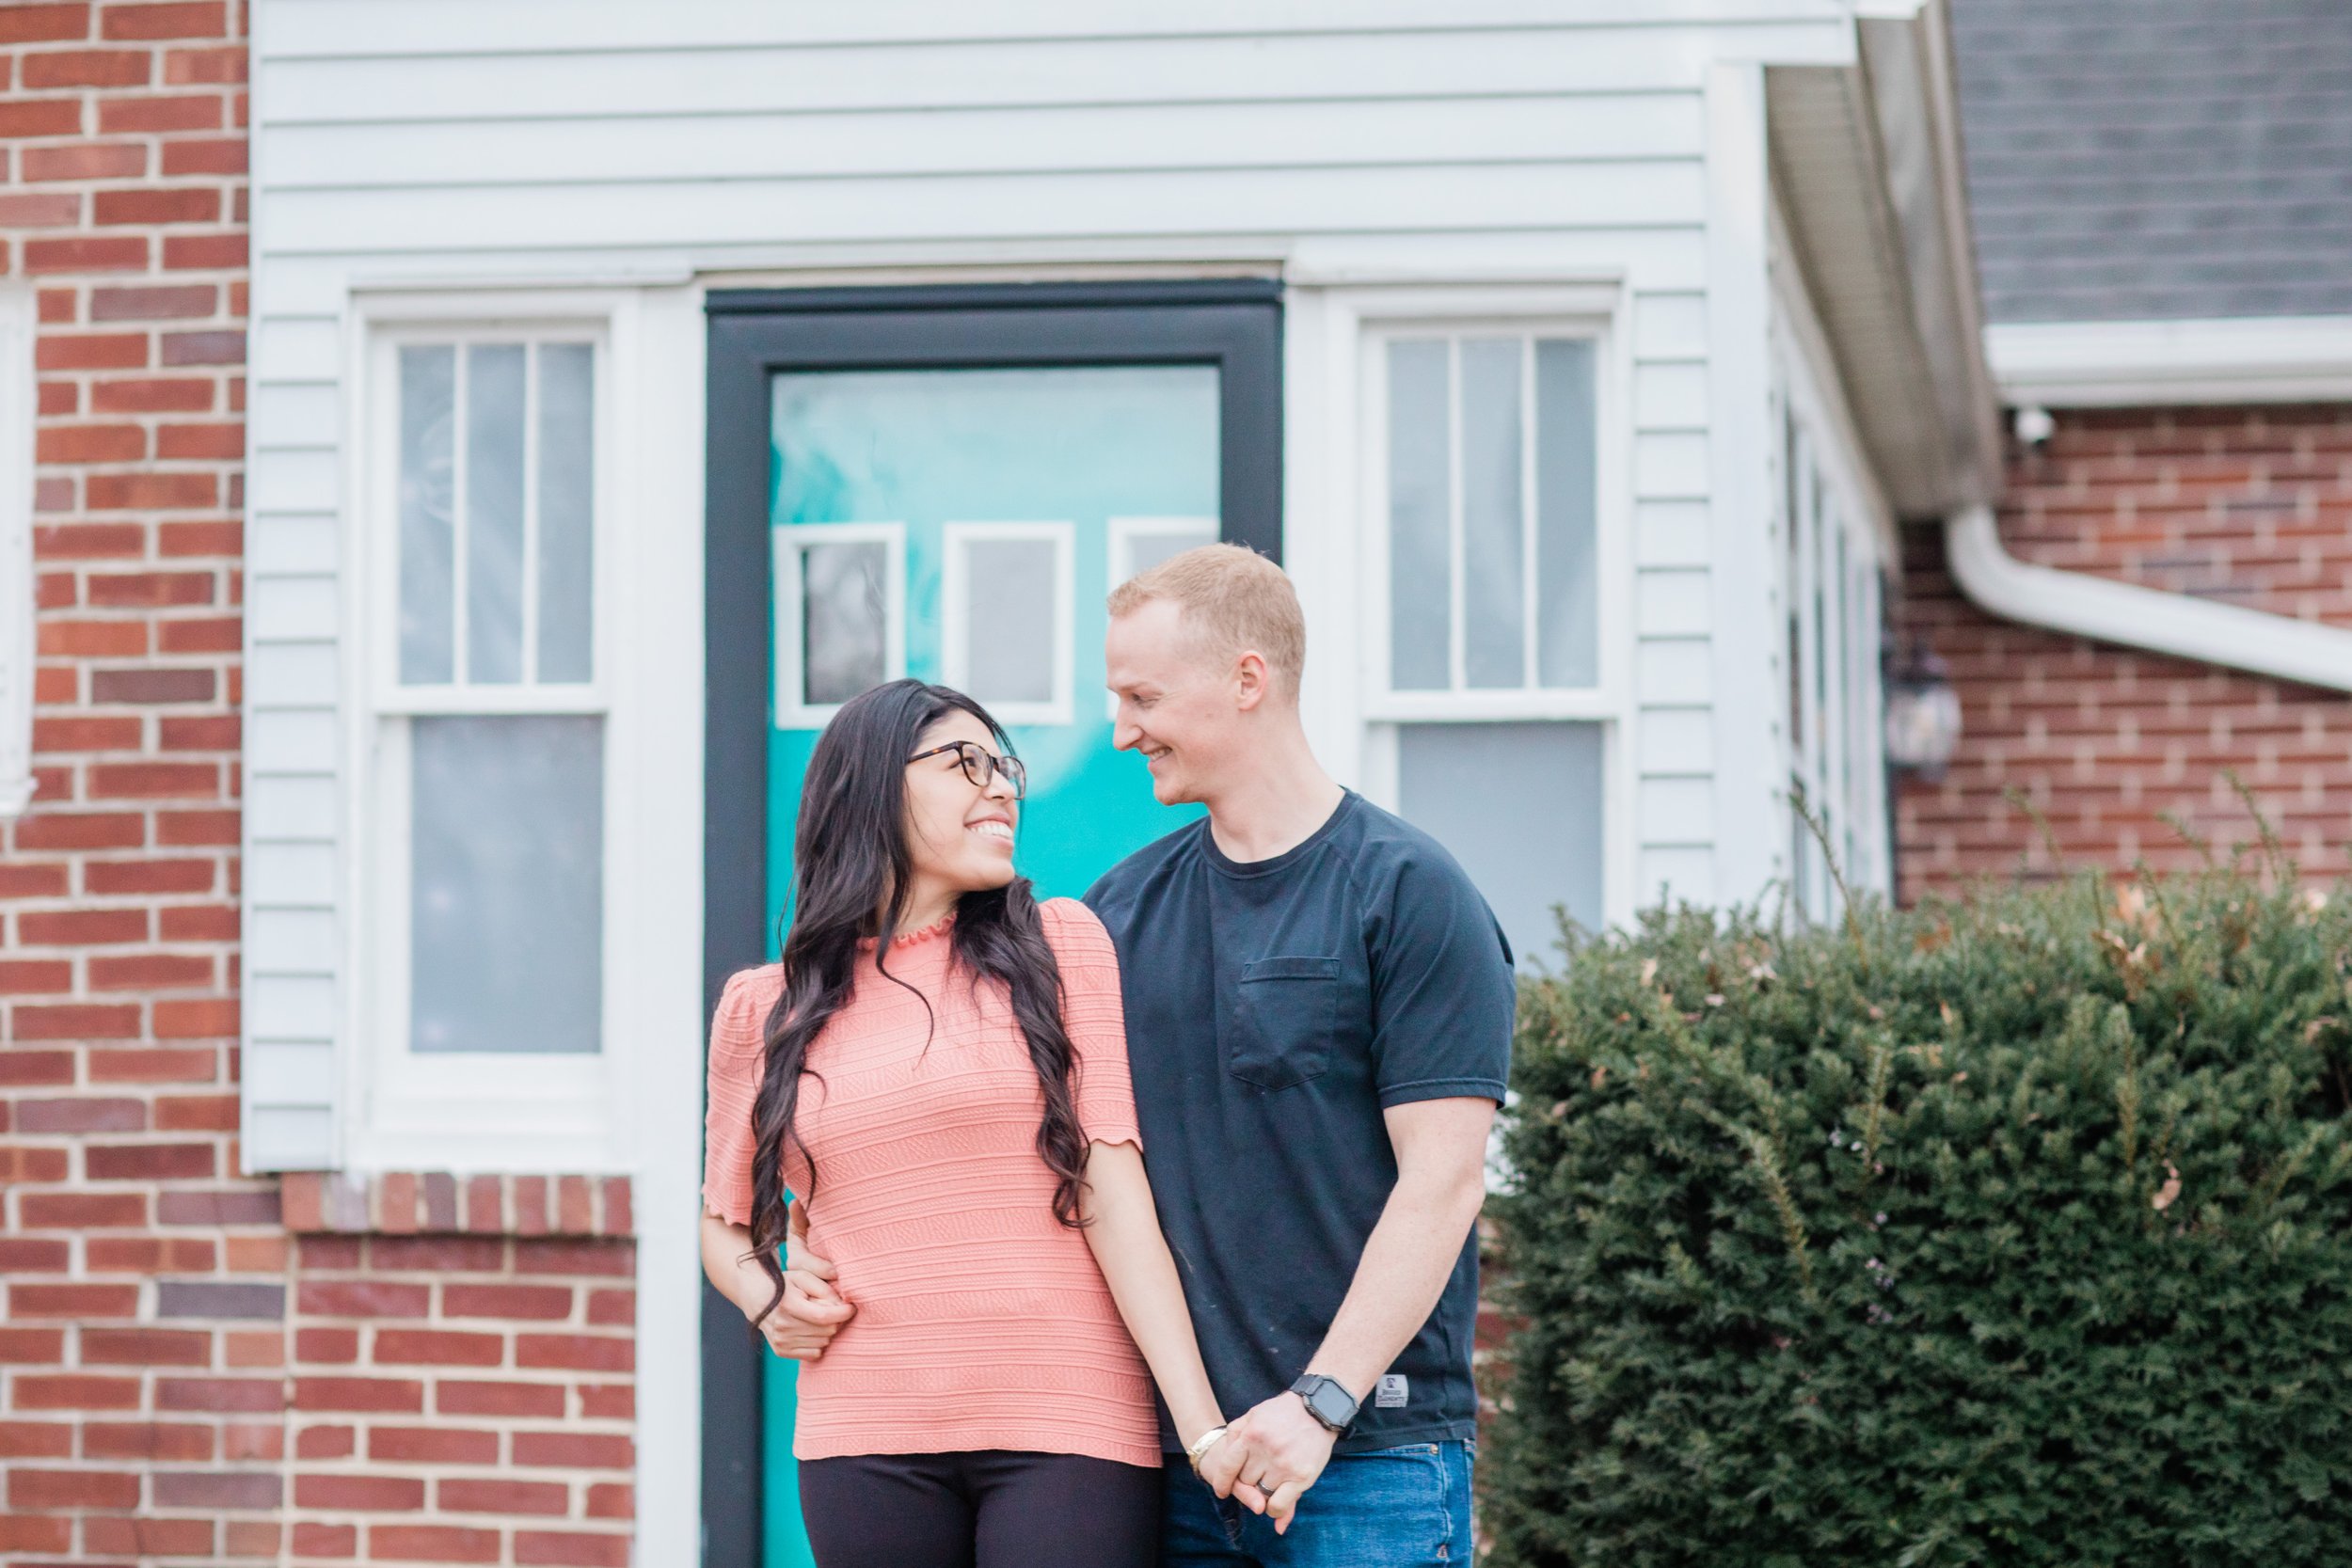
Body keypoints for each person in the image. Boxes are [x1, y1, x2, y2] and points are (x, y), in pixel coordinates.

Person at [782, 546, 1517, 1567]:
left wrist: (1321, 1401)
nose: (1121, 728)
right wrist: (806, 1246)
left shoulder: (1408, 893)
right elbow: (1017, 1141)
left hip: (1367, 1456)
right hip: (1174, 1459)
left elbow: (1443, 1182)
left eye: (1142, 696)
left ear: (1246, 681)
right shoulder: (1112, 915)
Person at [699, 679, 1259, 1568]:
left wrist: (1201, 1428)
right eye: (965, 763)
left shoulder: (1060, 947)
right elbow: (724, 1221)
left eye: (1005, 766)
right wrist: (766, 1295)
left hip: (1066, 1417)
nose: (1000, 786)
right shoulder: (762, 1009)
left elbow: (1116, 1199)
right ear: (872, 785)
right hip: (863, 1427)